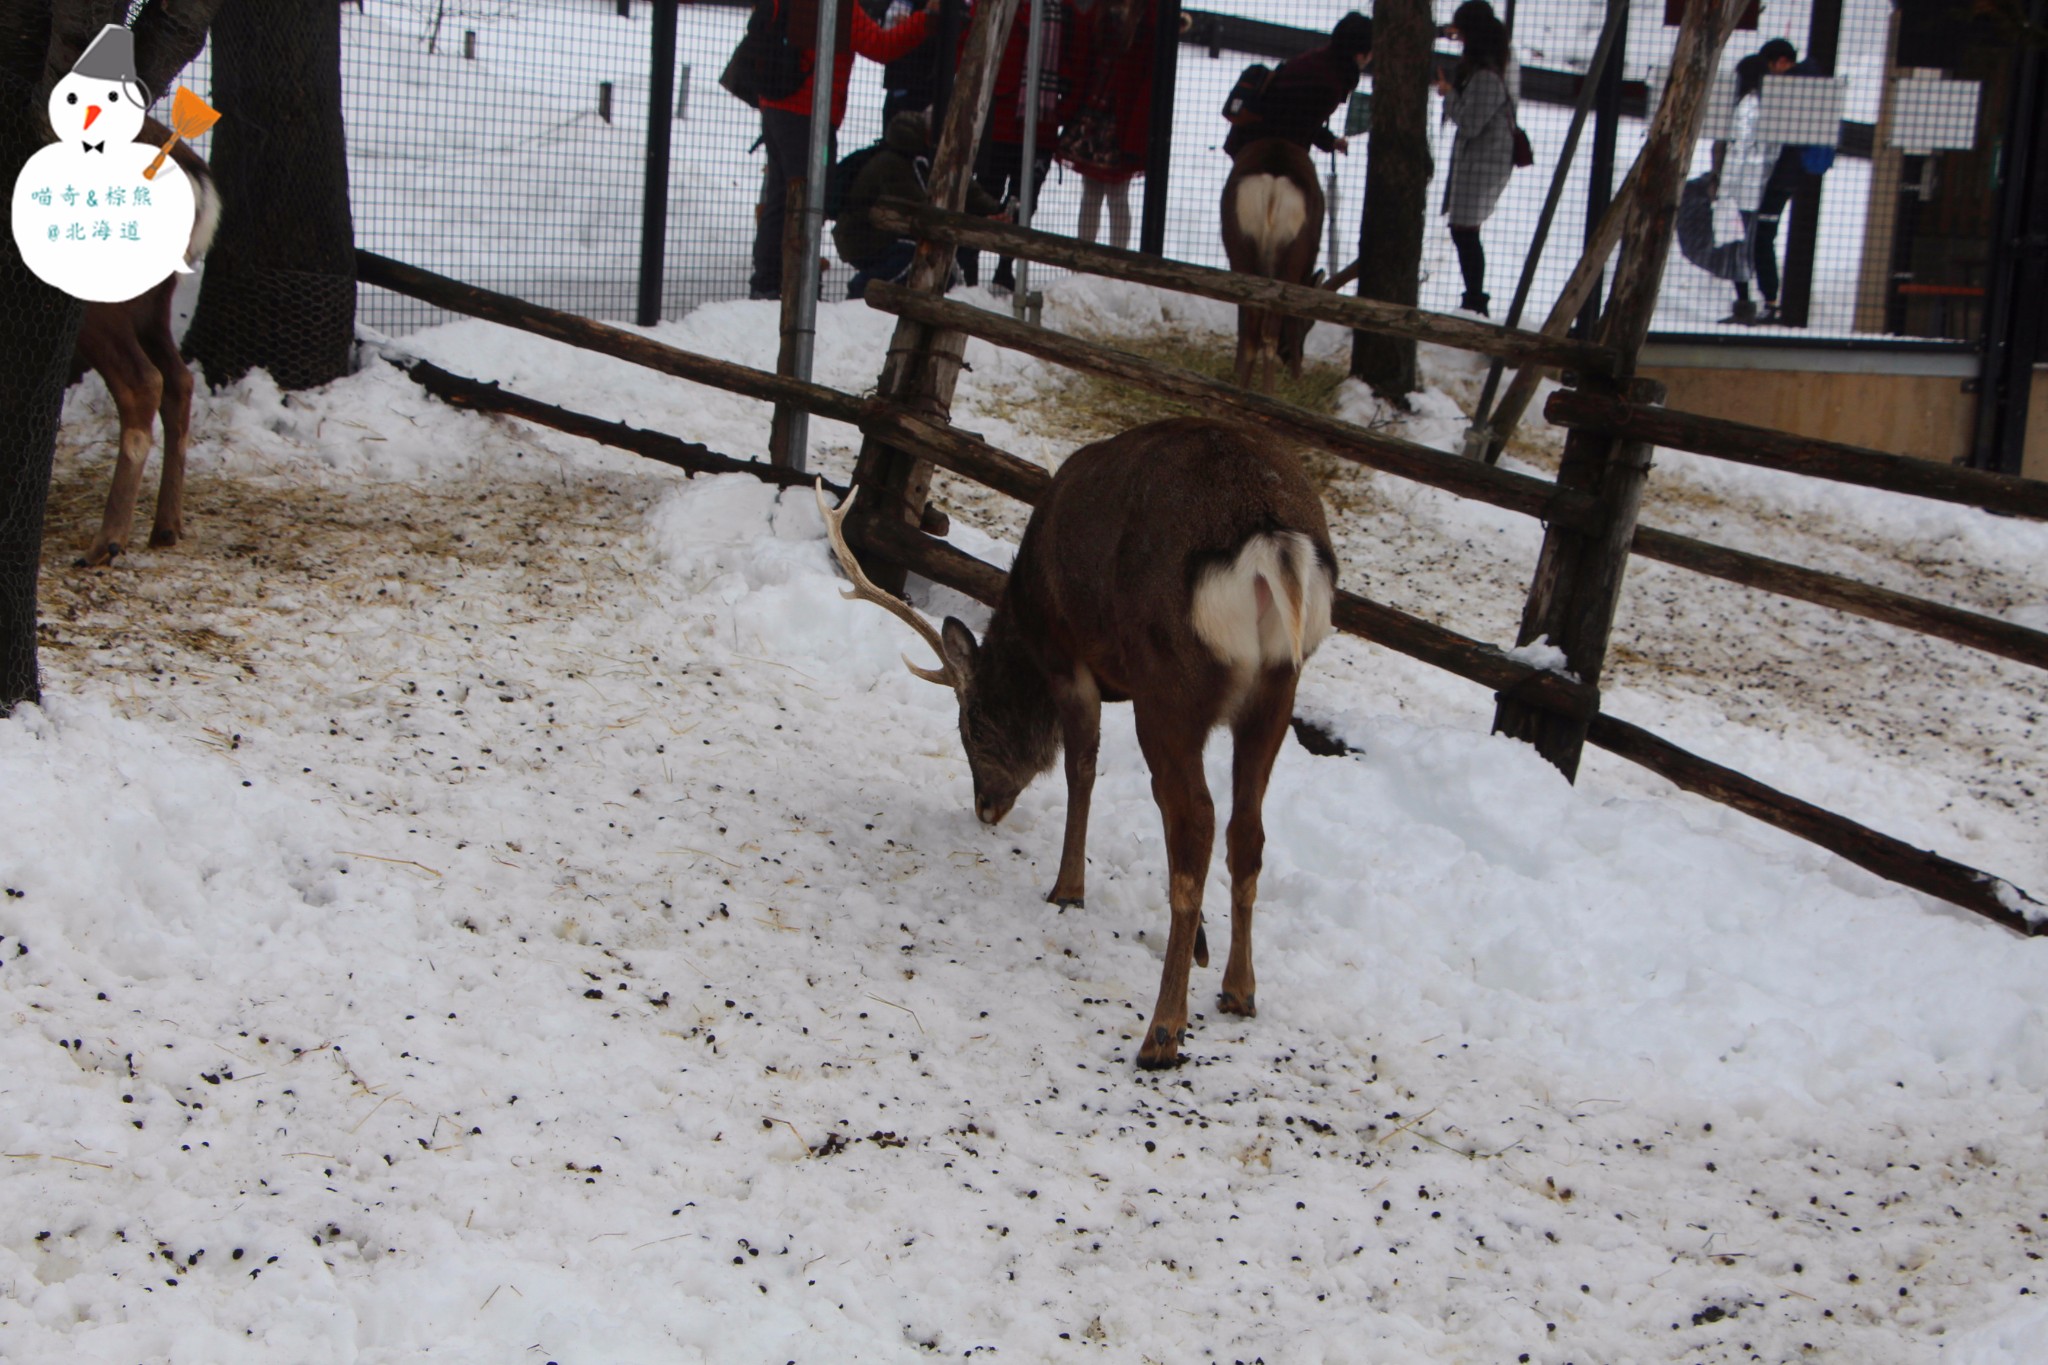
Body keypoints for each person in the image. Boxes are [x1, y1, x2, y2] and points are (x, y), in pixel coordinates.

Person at [748, 0, 937, 300]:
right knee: (810, 199)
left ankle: (770, 280)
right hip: (809, 112)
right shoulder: (839, 6)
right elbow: (881, 46)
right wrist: (926, 19)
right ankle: (795, 283)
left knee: (781, 195)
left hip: (776, 105)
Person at [835, 109, 1006, 299]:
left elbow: (957, 187)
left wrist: (991, 210)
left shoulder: (915, 161)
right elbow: (918, 209)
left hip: (877, 237)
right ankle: (861, 291)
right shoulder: (893, 164)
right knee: (913, 255)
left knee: (929, 259)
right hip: (863, 239)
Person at [962, 0, 1066, 292]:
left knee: (1024, 199)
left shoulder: (1061, 9)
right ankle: (969, 261)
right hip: (1000, 120)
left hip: (1040, 123)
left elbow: (1072, 58)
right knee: (987, 193)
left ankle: (1006, 268)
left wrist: (1066, 107)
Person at [1713, 38, 1801, 324]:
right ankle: (1770, 302)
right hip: (1770, 184)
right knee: (1762, 239)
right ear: (1777, 62)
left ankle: (1745, 301)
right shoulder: (1771, 99)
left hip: (1739, 184)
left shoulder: (1740, 99)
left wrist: (1722, 181)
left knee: (1740, 239)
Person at [1435, 0, 1515, 316]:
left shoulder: (1486, 77)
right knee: (1464, 230)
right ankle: (1474, 298)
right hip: (1480, 160)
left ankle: (1475, 301)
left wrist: (1448, 94)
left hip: (1483, 163)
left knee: (1464, 230)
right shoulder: (1494, 64)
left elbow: (1471, 122)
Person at [1055, 0, 1152, 252]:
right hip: (1099, 110)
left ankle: (1114, 262)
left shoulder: (1145, 16)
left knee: (1114, 194)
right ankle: (1088, 257)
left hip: (1119, 116)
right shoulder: (1104, 13)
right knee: (1095, 193)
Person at [1222, 12, 1373, 162]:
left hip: (1248, 141)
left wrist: (1329, 141)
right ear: (1360, 55)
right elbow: (1297, 128)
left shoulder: (1319, 61)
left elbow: (1300, 118)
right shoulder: (1330, 83)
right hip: (1263, 151)